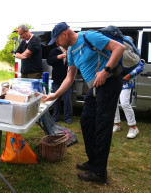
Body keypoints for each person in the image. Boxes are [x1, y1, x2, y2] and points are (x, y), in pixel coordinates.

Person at [44, 22, 125, 184]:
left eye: (57, 40)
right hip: (94, 88)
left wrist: (105, 70)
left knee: (102, 125)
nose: (57, 44)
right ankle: (93, 161)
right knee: (86, 120)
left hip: (109, 83)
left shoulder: (89, 37)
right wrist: (55, 95)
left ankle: (100, 173)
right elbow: (70, 77)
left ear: (65, 34)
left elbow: (119, 48)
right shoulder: (71, 51)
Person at [113, 60, 144, 138]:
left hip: (126, 83)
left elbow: (141, 65)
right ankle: (116, 124)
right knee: (113, 103)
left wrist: (130, 75)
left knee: (124, 103)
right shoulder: (112, 49)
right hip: (114, 81)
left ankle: (133, 127)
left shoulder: (128, 49)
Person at [47, 46, 72, 123]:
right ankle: (55, 117)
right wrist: (58, 57)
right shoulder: (55, 50)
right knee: (56, 100)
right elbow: (49, 61)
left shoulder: (72, 49)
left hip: (68, 80)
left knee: (67, 100)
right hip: (57, 80)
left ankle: (67, 118)